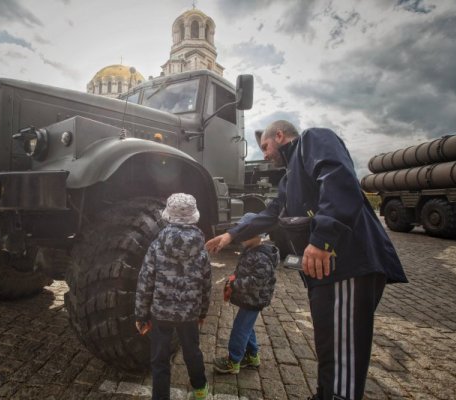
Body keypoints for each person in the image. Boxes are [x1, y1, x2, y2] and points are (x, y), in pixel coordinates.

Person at [205, 120, 408, 400]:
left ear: (279, 135)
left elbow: (339, 178)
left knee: (343, 348)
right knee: (327, 344)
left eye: (265, 146)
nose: (264, 154)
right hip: (325, 272)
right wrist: (231, 235)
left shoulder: (313, 140)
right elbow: (272, 212)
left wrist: (322, 239)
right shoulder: (290, 178)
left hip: (346, 264)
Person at [135, 193, 212, 400]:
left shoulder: (157, 246)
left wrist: (141, 315)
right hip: (189, 315)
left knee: (159, 360)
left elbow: (145, 282)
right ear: (194, 216)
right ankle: (200, 390)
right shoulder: (201, 250)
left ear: (167, 216)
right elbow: (206, 285)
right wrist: (202, 312)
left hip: (161, 314)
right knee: (192, 352)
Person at [213, 212, 279, 375]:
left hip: (253, 300)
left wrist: (235, 284)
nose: (240, 237)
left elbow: (256, 281)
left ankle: (233, 361)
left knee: (240, 329)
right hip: (250, 299)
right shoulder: (252, 249)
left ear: (257, 234)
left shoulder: (261, 256)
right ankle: (252, 356)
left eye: (245, 233)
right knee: (246, 327)